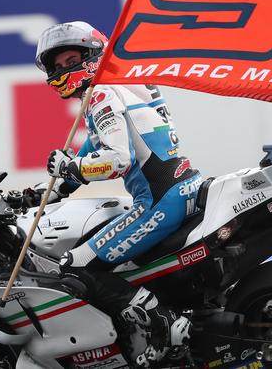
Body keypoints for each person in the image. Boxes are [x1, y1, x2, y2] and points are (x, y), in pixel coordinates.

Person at [32, 21, 202, 367]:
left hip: (158, 200)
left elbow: (116, 159)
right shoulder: (127, 84)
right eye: (59, 66)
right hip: (185, 186)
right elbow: (92, 152)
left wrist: (69, 169)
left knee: (74, 268)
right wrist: (41, 192)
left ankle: (160, 323)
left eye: (71, 60)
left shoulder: (101, 93)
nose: (64, 70)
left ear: (93, 55)